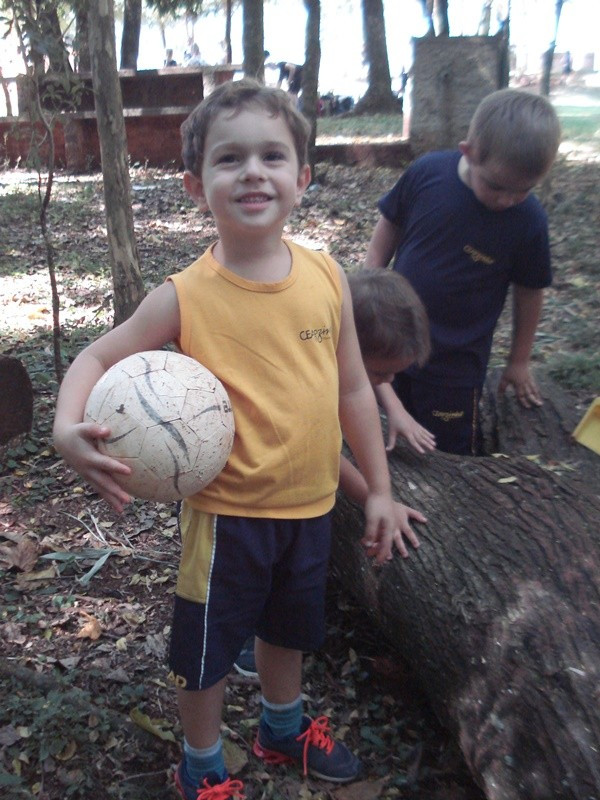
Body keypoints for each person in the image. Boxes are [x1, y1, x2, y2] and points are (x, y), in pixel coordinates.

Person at [53, 78, 402, 799]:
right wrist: (65, 428)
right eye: (229, 158)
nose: (253, 172)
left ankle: (281, 729)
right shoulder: (185, 295)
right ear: (195, 185)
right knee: (207, 653)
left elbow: (352, 390)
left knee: (287, 633)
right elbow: (95, 357)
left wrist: (380, 491)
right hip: (226, 520)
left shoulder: (327, 277)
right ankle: (202, 764)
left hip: (310, 509)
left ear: (303, 177)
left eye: (273, 156)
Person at [234, 268, 432, 679]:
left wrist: (393, 407)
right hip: (245, 492)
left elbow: (358, 379)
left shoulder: (333, 348)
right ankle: (243, 635)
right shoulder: (299, 381)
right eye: (381, 374)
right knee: (253, 570)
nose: (387, 382)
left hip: (288, 472)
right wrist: (375, 497)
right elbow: (324, 454)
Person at [364, 88, 561, 456]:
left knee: (444, 449)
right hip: (391, 339)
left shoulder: (528, 220)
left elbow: (530, 291)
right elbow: (391, 222)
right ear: (468, 152)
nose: (507, 200)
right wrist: (369, 277)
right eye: (497, 186)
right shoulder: (427, 173)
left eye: (523, 191)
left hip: (455, 367)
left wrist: (519, 360)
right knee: (380, 429)